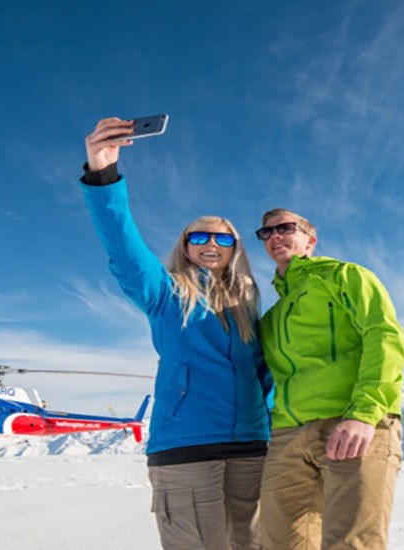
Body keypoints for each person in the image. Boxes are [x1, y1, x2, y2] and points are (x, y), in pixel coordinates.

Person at [79, 117, 272, 550]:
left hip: (253, 450)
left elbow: (264, 376)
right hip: (188, 450)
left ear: (235, 249)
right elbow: (125, 251)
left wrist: (275, 430)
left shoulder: (247, 305)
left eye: (223, 239)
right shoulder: (166, 293)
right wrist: (103, 176)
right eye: (199, 236)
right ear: (185, 246)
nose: (211, 244)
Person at [254, 209, 404, 549]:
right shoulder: (272, 318)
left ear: (310, 240)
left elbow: (383, 336)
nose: (274, 236)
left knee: (350, 543)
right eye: (266, 233)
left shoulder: (344, 276)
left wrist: (364, 414)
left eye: (285, 228)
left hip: (352, 424)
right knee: (278, 542)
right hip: (288, 435)